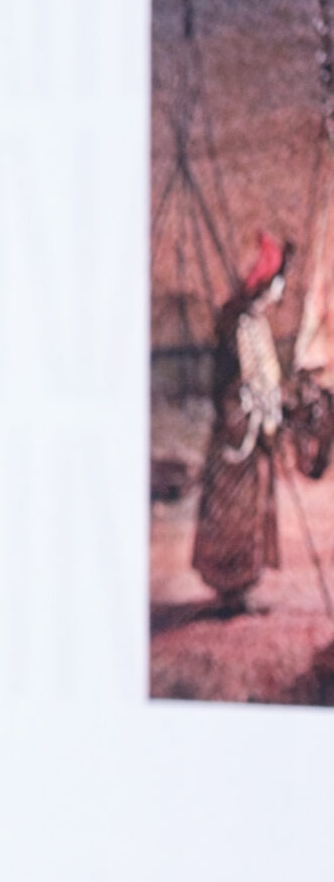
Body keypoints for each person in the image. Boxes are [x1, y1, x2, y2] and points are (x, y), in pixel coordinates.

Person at [192, 230, 291, 612]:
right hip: (238, 438)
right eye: (278, 282)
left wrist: (274, 407)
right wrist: (255, 412)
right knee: (230, 515)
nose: (281, 290)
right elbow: (236, 386)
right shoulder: (239, 325)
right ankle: (229, 592)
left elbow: (267, 379)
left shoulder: (256, 323)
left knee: (252, 514)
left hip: (257, 434)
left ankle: (243, 588)